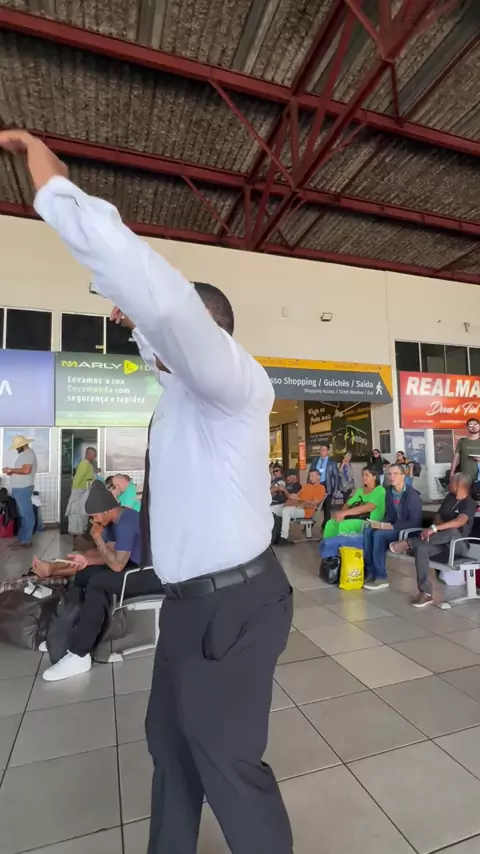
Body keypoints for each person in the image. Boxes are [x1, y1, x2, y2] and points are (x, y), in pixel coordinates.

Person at [2, 130, 294, 854]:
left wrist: (58, 196)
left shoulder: (233, 384)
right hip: (190, 603)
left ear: (207, 334)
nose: (152, 345)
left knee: (227, 763)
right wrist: (134, 322)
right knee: (169, 746)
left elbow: (166, 305)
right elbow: (157, 333)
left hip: (237, 604)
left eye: (169, 337)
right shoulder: (183, 397)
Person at [41, 481, 162, 680]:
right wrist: (85, 560)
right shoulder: (112, 522)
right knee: (84, 574)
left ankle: (80, 654)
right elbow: (106, 554)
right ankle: (65, 633)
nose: (93, 521)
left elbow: (117, 565)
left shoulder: (128, 521)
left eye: (94, 516)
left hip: (151, 576)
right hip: (133, 567)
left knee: (98, 582)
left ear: (106, 511)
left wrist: (97, 538)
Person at [390, 472, 476, 607]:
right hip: (440, 543)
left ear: (459, 485)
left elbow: (459, 522)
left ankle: (410, 543)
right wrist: (439, 526)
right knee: (422, 549)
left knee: (453, 531)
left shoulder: (469, 503)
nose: (448, 484)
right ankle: (426, 593)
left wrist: (436, 528)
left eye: (451, 481)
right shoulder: (450, 497)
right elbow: (438, 516)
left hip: (458, 546)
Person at [363, 464, 422, 590]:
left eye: (395, 474)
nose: (391, 477)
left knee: (379, 535)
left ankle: (381, 577)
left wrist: (389, 526)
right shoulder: (389, 492)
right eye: (389, 474)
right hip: (395, 528)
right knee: (369, 530)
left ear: (403, 476)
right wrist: (379, 524)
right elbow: (390, 515)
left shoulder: (412, 495)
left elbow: (414, 522)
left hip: (408, 531)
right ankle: (370, 571)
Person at [323, 465, 386, 539]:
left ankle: (340, 545)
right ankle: (328, 544)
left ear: (374, 477)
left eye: (367, 475)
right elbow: (348, 504)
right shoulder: (360, 490)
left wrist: (345, 513)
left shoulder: (380, 490)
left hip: (369, 521)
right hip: (354, 517)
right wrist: (341, 514)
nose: (364, 477)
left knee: (344, 524)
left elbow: (368, 508)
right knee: (331, 523)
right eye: (363, 475)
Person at [2, 435, 37, 549]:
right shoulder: (25, 454)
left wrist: (11, 470)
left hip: (23, 488)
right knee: (23, 515)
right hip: (20, 488)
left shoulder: (28, 454)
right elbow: (23, 471)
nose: (17, 449)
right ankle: (22, 539)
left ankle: (26, 541)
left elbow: (26, 470)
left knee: (27, 515)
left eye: (17, 447)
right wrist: (11, 472)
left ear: (23, 445)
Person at [276, 469, 326, 545]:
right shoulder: (306, 486)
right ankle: (273, 534)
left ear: (318, 477)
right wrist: (288, 497)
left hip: (305, 510)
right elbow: (295, 496)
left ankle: (283, 537)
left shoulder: (321, 488)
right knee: (272, 509)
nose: (311, 478)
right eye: (310, 476)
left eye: (313, 476)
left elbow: (314, 503)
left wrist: (300, 501)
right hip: (296, 506)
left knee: (286, 511)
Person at [65, 447, 97, 537]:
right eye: (94, 455)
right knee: (76, 512)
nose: (95, 457)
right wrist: (75, 491)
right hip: (79, 491)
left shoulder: (88, 464)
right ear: (89, 454)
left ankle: (81, 530)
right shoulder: (84, 463)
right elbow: (78, 478)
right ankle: (76, 531)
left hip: (84, 491)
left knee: (82, 512)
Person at [309, 442, 339, 527]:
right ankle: (309, 524)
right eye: (321, 450)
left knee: (327, 507)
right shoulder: (315, 461)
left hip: (326, 485)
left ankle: (326, 525)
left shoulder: (332, 462)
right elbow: (310, 473)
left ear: (328, 451)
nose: (322, 451)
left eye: (324, 450)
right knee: (313, 506)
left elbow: (336, 477)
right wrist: (308, 485)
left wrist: (335, 490)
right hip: (315, 485)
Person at [451, 418, 480, 498]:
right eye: (470, 425)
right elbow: (456, 457)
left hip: (478, 478)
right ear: (467, 427)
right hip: (464, 477)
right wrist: (452, 473)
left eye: (475, 424)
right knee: (465, 498)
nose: (473, 427)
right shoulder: (462, 441)